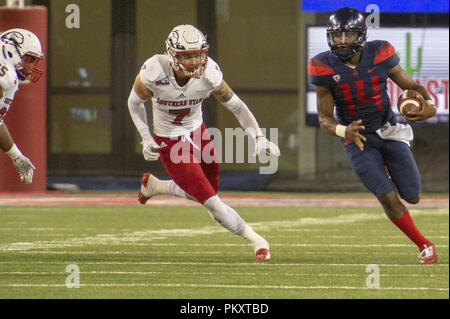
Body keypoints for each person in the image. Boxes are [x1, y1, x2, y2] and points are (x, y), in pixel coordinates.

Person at [128, 24, 280, 261]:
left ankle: (156, 187)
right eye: (187, 56)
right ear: (173, 54)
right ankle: (257, 241)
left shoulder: (209, 74)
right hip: (170, 140)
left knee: (209, 187)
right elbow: (134, 103)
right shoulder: (154, 71)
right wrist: (146, 136)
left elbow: (237, 107)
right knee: (211, 200)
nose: (194, 61)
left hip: (198, 133)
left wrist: (258, 137)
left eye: (198, 54)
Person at [308, 7, 438, 264]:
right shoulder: (321, 66)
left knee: (412, 196)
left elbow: (413, 88)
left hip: (388, 129)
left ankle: (389, 169)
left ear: (361, 35)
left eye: (348, 35)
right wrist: (345, 130)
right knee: (387, 196)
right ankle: (424, 244)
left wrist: (429, 109)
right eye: (337, 36)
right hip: (358, 139)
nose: (342, 40)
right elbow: (324, 119)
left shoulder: (381, 53)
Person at [0, 28, 44, 184]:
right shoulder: (7, 75)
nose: (31, 66)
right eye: (29, 59)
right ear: (11, 51)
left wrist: (16, 155)